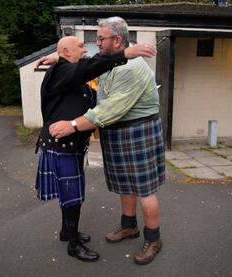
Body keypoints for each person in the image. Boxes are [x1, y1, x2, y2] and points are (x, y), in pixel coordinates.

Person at [49, 17, 165, 265]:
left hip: (138, 130)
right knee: (125, 184)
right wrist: (59, 60)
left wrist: (72, 125)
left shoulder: (131, 68)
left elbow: (109, 110)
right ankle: (129, 226)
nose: (96, 43)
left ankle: (153, 239)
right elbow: (89, 65)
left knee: (144, 189)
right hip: (119, 131)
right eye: (96, 38)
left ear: (118, 40)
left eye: (101, 39)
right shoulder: (111, 60)